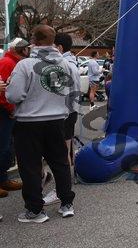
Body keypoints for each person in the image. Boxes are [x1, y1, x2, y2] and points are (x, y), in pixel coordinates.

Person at [6, 25, 77, 223]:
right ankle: (66, 203)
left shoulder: (25, 65)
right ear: (54, 41)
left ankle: (35, 210)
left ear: (33, 40)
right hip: (57, 120)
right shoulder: (65, 64)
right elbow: (71, 92)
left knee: (30, 166)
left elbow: (14, 95)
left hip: (29, 122)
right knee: (60, 163)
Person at [41, 32, 82, 206]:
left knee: (62, 154)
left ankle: (60, 190)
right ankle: (61, 187)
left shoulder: (64, 65)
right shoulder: (71, 63)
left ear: (59, 47)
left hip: (64, 113)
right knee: (63, 152)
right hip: (68, 111)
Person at [0, 38, 30, 201]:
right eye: (26, 48)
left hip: (9, 111)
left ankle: (3, 178)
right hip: (5, 112)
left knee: (8, 147)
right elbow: (5, 90)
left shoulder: (15, 63)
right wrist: (11, 108)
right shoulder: (8, 63)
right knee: (3, 146)